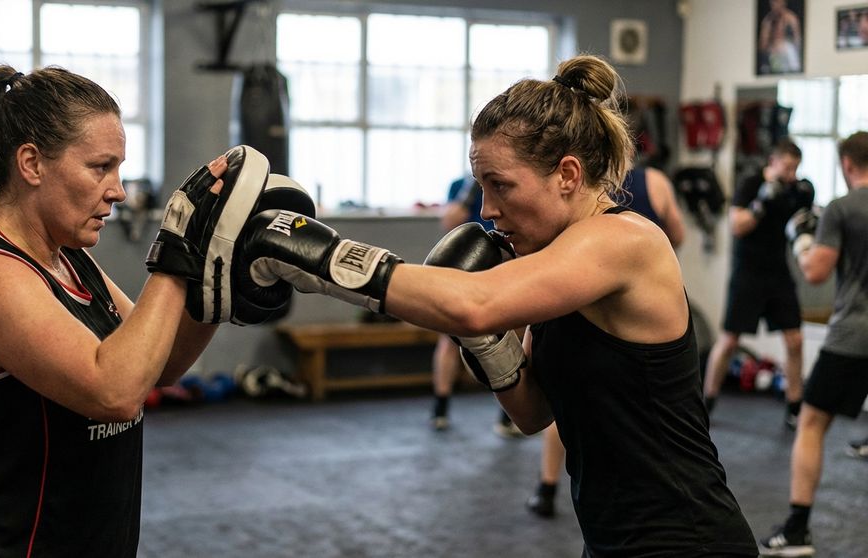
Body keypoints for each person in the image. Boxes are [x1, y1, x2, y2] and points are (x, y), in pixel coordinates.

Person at [238, 54, 758, 556]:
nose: (487, 209)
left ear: (569, 175)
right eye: (481, 186)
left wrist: (316, 254)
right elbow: (532, 412)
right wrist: (484, 341)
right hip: (612, 539)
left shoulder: (626, 240)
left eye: (500, 185)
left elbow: (476, 304)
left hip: (689, 539)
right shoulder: (557, 265)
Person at [0, 66, 274, 557]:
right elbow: (114, 390)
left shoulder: (70, 259)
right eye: (100, 167)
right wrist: (179, 251)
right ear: (31, 163)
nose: (117, 189)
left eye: (119, 168)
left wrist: (218, 279)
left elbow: (164, 361)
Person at [527, 163, 687, 518]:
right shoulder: (654, 181)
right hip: (615, 522)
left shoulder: (616, 229)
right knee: (569, 395)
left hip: (676, 519)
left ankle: (547, 487)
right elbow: (678, 232)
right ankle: (548, 486)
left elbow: (475, 306)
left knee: (576, 396)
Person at [758, 131, 868, 556]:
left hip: (854, 336)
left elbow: (815, 271)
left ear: (847, 165)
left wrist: (801, 237)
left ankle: (798, 529)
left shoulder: (842, 208)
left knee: (811, 423)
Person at [703, 139, 814, 429]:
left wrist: (808, 212)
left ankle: (793, 406)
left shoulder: (797, 189)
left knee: (795, 340)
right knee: (729, 341)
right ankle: (706, 402)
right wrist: (761, 202)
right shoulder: (751, 184)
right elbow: (737, 226)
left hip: (778, 272)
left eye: (795, 168)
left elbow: (802, 225)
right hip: (748, 273)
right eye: (787, 167)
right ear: (773, 161)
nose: (791, 174)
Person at [430, 175, 521, 437]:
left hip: (505, 267)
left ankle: (508, 416)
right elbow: (449, 221)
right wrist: (470, 191)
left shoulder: (509, 181)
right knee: (449, 339)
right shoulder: (460, 185)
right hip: (467, 267)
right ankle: (440, 408)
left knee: (513, 338)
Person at [758, 0, 802, 74]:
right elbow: (762, 45)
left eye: (777, 2)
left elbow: (797, 40)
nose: (775, 5)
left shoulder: (791, 18)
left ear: (783, 2)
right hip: (773, 53)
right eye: (773, 2)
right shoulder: (768, 20)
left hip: (788, 53)